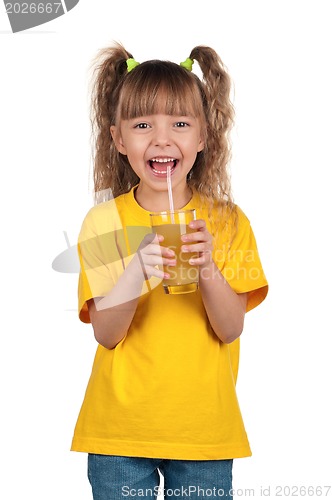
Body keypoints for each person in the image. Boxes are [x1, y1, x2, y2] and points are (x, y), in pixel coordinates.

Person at [71, 42, 268, 500]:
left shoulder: (227, 221)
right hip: (120, 432)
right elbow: (107, 333)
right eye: (143, 125)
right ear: (120, 140)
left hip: (203, 431)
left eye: (180, 124)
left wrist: (208, 270)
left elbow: (230, 328)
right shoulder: (104, 222)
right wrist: (136, 271)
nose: (162, 139)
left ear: (203, 137)